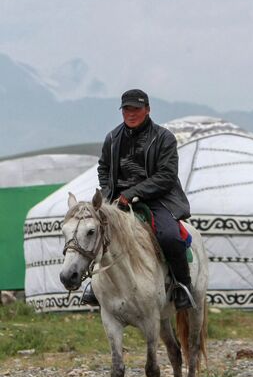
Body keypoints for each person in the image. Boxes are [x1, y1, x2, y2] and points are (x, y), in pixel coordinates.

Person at [81, 89, 193, 309]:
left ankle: (182, 286)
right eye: (126, 109)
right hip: (118, 201)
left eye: (136, 109)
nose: (131, 114)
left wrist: (133, 193)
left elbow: (166, 176)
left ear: (147, 110)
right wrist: (107, 193)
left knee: (170, 237)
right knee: (94, 232)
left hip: (158, 199)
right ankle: (95, 285)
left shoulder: (163, 138)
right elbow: (103, 167)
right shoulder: (112, 138)